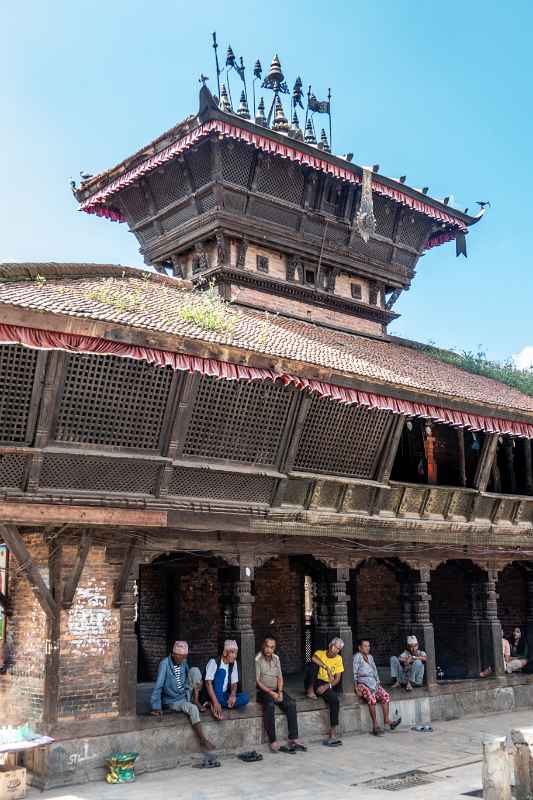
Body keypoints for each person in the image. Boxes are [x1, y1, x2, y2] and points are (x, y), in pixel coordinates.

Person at [150, 640, 214, 750]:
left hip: (185, 694)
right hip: (173, 700)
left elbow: (189, 677)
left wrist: (196, 685)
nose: (184, 659)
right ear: (174, 654)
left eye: (185, 657)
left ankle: (196, 700)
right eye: (182, 657)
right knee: (193, 709)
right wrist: (156, 706)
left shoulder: (183, 662)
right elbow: (158, 686)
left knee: (195, 671)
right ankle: (203, 740)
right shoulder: (164, 664)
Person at [256, 636, 307, 753]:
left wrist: (279, 692)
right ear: (263, 646)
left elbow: (280, 677)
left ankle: (293, 738)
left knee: (291, 704)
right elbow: (257, 681)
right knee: (269, 706)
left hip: (276, 689)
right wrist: (271, 693)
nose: (269, 650)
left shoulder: (276, 658)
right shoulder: (257, 659)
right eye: (267, 647)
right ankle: (273, 741)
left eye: (272, 647)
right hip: (263, 691)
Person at [354, 639, 402, 737]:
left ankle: (387, 721)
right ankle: (375, 725)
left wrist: (378, 683)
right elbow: (354, 673)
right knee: (372, 699)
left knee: (385, 696)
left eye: (369, 646)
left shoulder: (370, 657)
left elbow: (375, 671)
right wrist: (356, 688)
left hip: (373, 683)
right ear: (359, 647)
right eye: (365, 646)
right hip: (362, 683)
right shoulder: (357, 657)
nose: (368, 648)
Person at [304, 637, 344, 747]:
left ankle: (332, 733)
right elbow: (313, 659)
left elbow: (337, 679)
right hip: (314, 680)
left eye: (339, 649)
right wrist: (326, 667)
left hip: (326, 684)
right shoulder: (320, 653)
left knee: (335, 700)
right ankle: (310, 689)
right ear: (330, 645)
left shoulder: (339, 659)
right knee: (313, 665)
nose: (337, 650)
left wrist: (327, 686)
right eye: (336, 647)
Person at [204, 640, 249, 720]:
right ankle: (215, 704)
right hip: (212, 695)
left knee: (245, 697)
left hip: (224, 695)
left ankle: (216, 704)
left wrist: (232, 695)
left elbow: (234, 683)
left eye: (236, 653)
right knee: (222, 672)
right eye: (232, 652)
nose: (235, 656)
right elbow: (208, 683)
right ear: (225, 652)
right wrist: (215, 702)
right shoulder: (214, 662)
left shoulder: (233, 663)